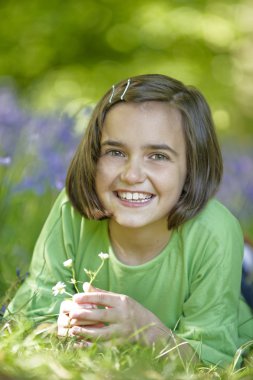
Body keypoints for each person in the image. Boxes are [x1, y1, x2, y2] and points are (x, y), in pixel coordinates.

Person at [5, 74, 253, 367]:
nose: (132, 175)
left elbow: (214, 360)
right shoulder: (72, 211)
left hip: (231, 297)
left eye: (158, 156)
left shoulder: (216, 231)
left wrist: (143, 329)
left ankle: (246, 259)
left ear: (192, 168)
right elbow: (25, 320)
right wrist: (59, 329)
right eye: (115, 152)